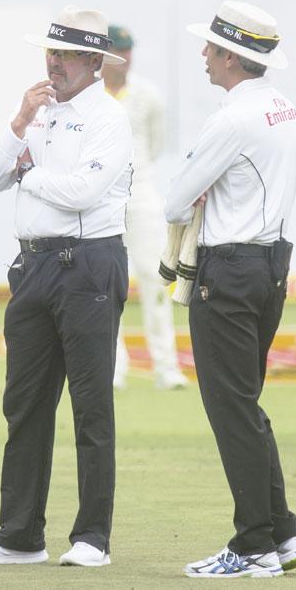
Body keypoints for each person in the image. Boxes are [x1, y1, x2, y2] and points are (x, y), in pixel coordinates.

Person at [0, 5, 132, 568]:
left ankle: (92, 538)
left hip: (87, 265)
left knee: (90, 404)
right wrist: (17, 128)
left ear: (92, 61)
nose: (52, 63)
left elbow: (82, 192)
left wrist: (29, 171)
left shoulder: (109, 116)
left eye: (62, 54)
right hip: (33, 267)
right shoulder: (37, 110)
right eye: (48, 53)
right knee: (24, 403)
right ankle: (19, 535)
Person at [165, 1, 296, 578]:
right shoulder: (283, 107)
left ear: (231, 55)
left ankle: (253, 545)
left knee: (231, 410)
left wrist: (201, 189)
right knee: (245, 405)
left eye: (211, 47)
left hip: (229, 270)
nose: (203, 54)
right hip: (271, 265)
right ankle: (283, 532)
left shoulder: (231, 117)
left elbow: (177, 199)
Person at [101, 25, 188, 391]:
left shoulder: (148, 95)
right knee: (109, 284)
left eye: (128, 49)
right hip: (101, 201)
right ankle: (115, 367)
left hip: (141, 196)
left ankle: (166, 367)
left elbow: (154, 146)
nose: (124, 57)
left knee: (154, 280)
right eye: (117, 50)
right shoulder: (90, 96)